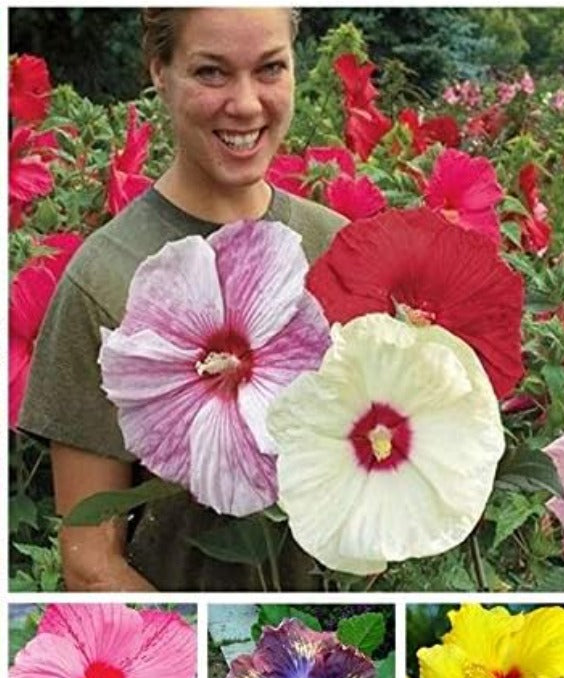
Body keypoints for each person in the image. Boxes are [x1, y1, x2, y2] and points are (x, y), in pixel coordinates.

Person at [19, 7, 347, 591]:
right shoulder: (106, 277)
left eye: (270, 68)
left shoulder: (338, 248)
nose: (246, 104)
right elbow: (92, 563)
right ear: (160, 73)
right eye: (212, 73)